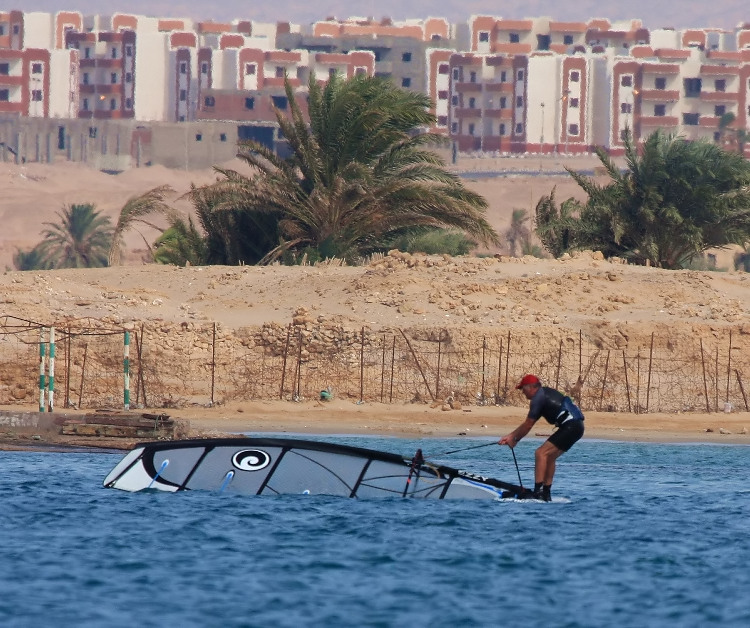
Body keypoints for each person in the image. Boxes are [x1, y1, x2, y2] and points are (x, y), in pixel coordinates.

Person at [498, 374, 584, 501]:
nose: (522, 392)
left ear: (531, 387)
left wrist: (514, 440)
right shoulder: (543, 395)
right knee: (550, 457)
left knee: (540, 453)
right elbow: (527, 424)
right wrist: (511, 436)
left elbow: (528, 425)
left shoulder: (538, 398)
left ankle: (538, 492)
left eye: (523, 389)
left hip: (571, 427)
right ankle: (546, 493)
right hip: (577, 427)